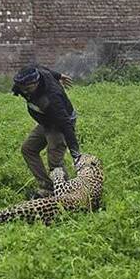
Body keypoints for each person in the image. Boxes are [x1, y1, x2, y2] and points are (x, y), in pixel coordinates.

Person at [12, 64, 81, 199]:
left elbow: (66, 125)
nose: (25, 92)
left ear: (36, 82)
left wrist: (76, 153)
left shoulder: (52, 97)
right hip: (46, 122)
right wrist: (59, 75)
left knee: (54, 161)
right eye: (21, 88)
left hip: (60, 124)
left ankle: (66, 195)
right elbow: (40, 67)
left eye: (27, 88)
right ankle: (47, 187)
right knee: (28, 149)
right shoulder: (30, 77)